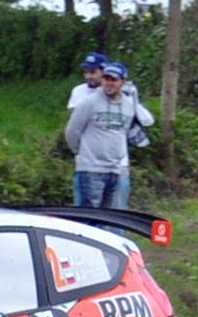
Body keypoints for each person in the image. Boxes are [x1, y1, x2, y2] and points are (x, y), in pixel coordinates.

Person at [64, 61, 149, 209]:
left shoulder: (128, 105)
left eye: (114, 80)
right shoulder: (89, 102)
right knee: (89, 218)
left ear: (122, 82)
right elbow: (72, 131)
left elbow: (126, 132)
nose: (109, 83)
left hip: (115, 170)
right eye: (106, 79)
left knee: (110, 217)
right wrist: (80, 152)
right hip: (91, 170)